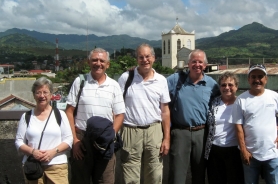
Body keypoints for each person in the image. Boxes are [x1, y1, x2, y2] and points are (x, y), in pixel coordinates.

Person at [65, 48, 125, 184]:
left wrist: (111, 135)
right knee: (80, 180)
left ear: (107, 64)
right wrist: (74, 140)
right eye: (94, 60)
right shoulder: (80, 82)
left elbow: (120, 114)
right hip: (82, 140)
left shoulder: (114, 85)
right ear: (89, 62)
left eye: (102, 61)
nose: (98, 63)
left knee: (105, 180)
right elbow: (69, 111)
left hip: (105, 141)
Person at [230, 64, 278, 184]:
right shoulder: (241, 100)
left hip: (272, 154)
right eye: (253, 77)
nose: (257, 80)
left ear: (266, 79)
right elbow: (238, 127)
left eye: (260, 76)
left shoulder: (274, 96)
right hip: (250, 155)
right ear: (248, 79)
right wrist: (243, 150)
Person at [118, 43, 171, 184]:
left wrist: (166, 138)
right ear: (136, 59)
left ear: (153, 58)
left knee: (154, 174)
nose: (144, 60)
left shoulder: (161, 80)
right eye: (141, 57)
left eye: (147, 56)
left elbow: (165, 111)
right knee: (130, 177)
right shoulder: (125, 78)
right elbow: (116, 107)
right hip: (130, 130)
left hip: (154, 131)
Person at [167, 49, 220, 184]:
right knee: (177, 175)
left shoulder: (212, 84)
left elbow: (223, 104)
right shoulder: (175, 80)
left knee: (199, 173)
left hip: (202, 133)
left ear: (205, 65)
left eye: (200, 62)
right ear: (188, 64)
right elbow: (156, 88)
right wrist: (134, 72)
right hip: (180, 132)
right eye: (194, 61)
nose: (197, 64)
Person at [15, 77, 73, 184]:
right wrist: (33, 152)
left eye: (45, 92)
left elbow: (69, 139)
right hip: (33, 167)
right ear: (33, 95)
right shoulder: (26, 116)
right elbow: (19, 141)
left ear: (51, 95)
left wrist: (53, 152)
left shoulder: (60, 115)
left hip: (57, 166)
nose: (42, 96)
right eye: (38, 92)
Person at [204, 71, 244, 184]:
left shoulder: (242, 104)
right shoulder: (213, 103)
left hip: (235, 150)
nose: (227, 88)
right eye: (223, 85)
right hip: (214, 150)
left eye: (230, 85)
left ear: (236, 87)